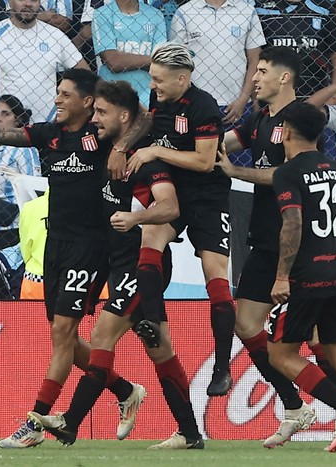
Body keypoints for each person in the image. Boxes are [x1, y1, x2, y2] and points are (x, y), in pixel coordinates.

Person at [0, 68, 140, 449]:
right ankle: (125, 390)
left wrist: (121, 148)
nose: (57, 99)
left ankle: (34, 425)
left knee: (62, 336)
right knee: (67, 342)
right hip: (54, 246)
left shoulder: (102, 133)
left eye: (65, 93)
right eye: (57, 92)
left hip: (89, 247)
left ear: (87, 102)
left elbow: (143, 118)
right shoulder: (49, 134)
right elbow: (0, 133)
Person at [28, 79, 205, 450]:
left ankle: (70, 421)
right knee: (161, 352)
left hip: (142, 266)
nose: (94, 119)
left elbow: (170, 206)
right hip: (117, 264)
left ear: (122, 116)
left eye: (102, 112)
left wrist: (135, 219)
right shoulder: (109, 149)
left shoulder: (141, 161)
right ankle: (190, 434)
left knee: (101, 337)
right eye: (93, 111)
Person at [216, 46, 322, 448]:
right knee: (246, 325)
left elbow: (293, 172)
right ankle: (295, 406)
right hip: (263, 238)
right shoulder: (259, 117)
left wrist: (236, 171)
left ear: (284, 77)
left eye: (261, 71)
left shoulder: (302, 120)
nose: (254, 77)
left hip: (295, 240)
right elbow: (225, 141)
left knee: (315, 338)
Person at [267, 101, 336, 454]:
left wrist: (282, 276)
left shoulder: (287, 172)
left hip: (307, 274)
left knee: (281, 355)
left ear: (285, 131)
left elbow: (294, 222)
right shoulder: (334, 167)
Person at [123, 43, 235, 399]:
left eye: (159, 80)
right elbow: (152, 126)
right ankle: (154, 322)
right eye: (152, 79)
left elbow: (205, 162)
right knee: (150, 236)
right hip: (174, 191)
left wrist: (155, 151)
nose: (153, 86)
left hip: (207, 196)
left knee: (214, 271)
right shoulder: (161, 100)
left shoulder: (204, 106)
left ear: (182, 78)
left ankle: (222, 366)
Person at [169, 0, 265, 166]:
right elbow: (177, 63)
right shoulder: (184, 12)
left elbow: (255, 59)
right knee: (199, 166)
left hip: (237, 107)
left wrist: (243, 100)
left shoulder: (247, 11)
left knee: (241, 172)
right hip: (196, 108)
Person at [0, 0, 90, 123]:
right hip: (6, 128)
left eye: (33, 0)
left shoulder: (56, 36)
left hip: (48, 126)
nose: (28, 3)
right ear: (9, 2)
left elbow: (86, 74)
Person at [0, 95, 42, 298]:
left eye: (5, 114)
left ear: (17, 120)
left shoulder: (23, 150)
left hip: (12, 226)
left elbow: (32, 186)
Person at [92, 0, 167, 106]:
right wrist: (150, 60)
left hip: (147, 93)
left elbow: (160, 62)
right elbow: (114, 62)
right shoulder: (102, 14)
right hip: (111, 92)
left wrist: (125, 59)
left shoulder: (155, 15)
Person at [19, 189, 49, 299]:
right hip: (77, 278)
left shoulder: (30, 208)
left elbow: (25, 248)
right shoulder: (90, 205)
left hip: (37, 277)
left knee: (32, 316)